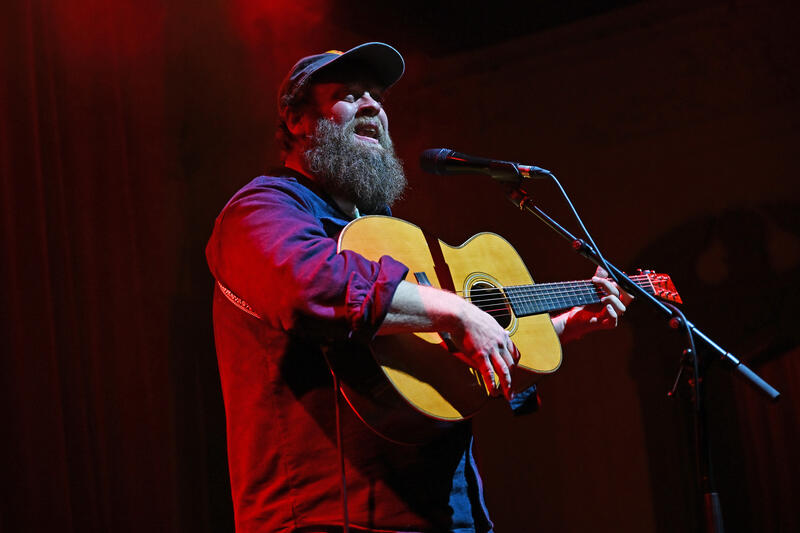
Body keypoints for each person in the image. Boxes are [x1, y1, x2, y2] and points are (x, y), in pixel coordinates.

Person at [206, 42, 629, 533]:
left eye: (377, 95)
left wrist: (555, 329)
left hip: (446, 514)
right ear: (297, 120)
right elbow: (311, 285)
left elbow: (440, 372)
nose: (371, 105)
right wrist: (457, 313)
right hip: (326, 515)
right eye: (348, 93)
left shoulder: (382, 233)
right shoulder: (261, 210)